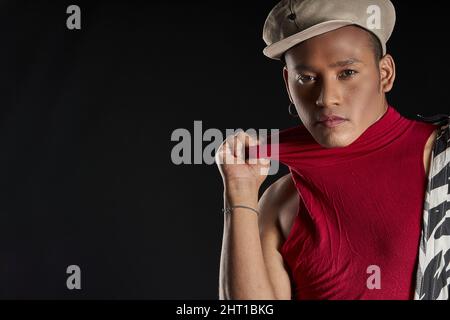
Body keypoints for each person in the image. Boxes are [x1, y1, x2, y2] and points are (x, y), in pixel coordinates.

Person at [215, 0, 446, 300]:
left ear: (385, 73)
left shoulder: (443, 161)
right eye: (307, 78)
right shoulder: (282, 203)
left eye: (347, 72)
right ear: (288, 84)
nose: (326, 98)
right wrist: (239, 193)